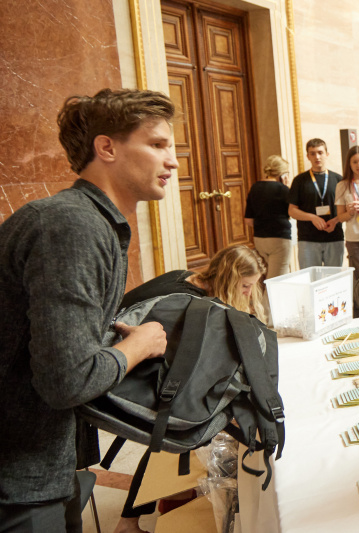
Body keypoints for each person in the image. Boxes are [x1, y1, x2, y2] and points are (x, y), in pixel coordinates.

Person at [0, 89, 173, 531]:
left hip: (49, 464)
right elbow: (66, 379)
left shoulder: (93, 222)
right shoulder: (71, 225)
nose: (172, 161)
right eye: (157, 144)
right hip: (19, 480)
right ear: (107, 147)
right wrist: (140, 345)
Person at [114, 245, 267, 533]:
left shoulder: (184, 277)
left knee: (170, 432)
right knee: (170, 433)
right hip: (127, 374)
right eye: (246, 286)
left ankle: (162, 500)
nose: (248, 293)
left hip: (129, 359)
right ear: (231, 277)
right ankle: (127, 523)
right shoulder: (191, 304)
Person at [288, 138, 344, 269]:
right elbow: (292, 210)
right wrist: (312, 217)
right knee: (310, 280)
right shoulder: (299, 180)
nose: (317, 157)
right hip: (308, 239)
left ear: (327, 154)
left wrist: (335, 221)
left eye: (320, 152)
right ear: (308, 156)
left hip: (334, 237)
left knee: (334, 279)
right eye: (312, 153)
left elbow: (346, 209)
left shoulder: (338, 179)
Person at [245, 155, 292, 282]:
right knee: (277, 281)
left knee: (264, 279)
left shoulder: (255, 187)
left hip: (260, 239)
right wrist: (288, 188)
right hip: (279, 239)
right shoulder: (284, 190)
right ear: (283, 174)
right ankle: (269, 303)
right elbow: (293, 213)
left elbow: (248, 220)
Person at [334, 146, 359, 285]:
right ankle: (358, 307)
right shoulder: (342, 185)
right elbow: (340, 217)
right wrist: (349, 212)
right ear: (349, 164)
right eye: (355, 162)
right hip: (353, 238)